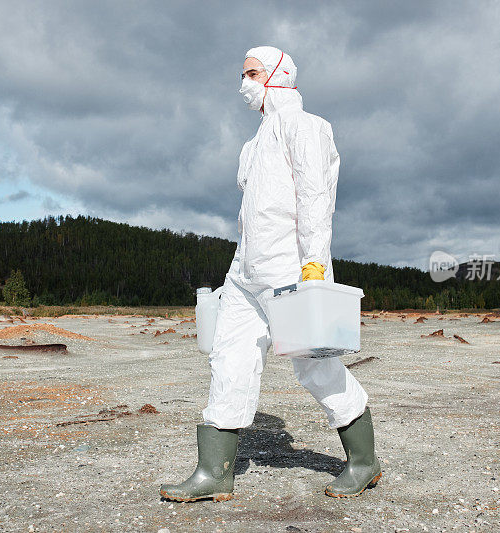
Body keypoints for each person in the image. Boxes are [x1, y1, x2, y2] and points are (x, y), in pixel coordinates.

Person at [159, 46, 380, 502]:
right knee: (229, 358)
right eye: (242, 74)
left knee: (316, 367)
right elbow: (251, 215)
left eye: (251, 73)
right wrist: (235, 271)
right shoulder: (253, 143)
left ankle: (363, 461)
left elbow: (316, 196)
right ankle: (213, 472)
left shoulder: (307, 127)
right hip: (246, 272)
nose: (244, 83)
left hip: (291, 268)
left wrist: (315, 262)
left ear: (277, 74)